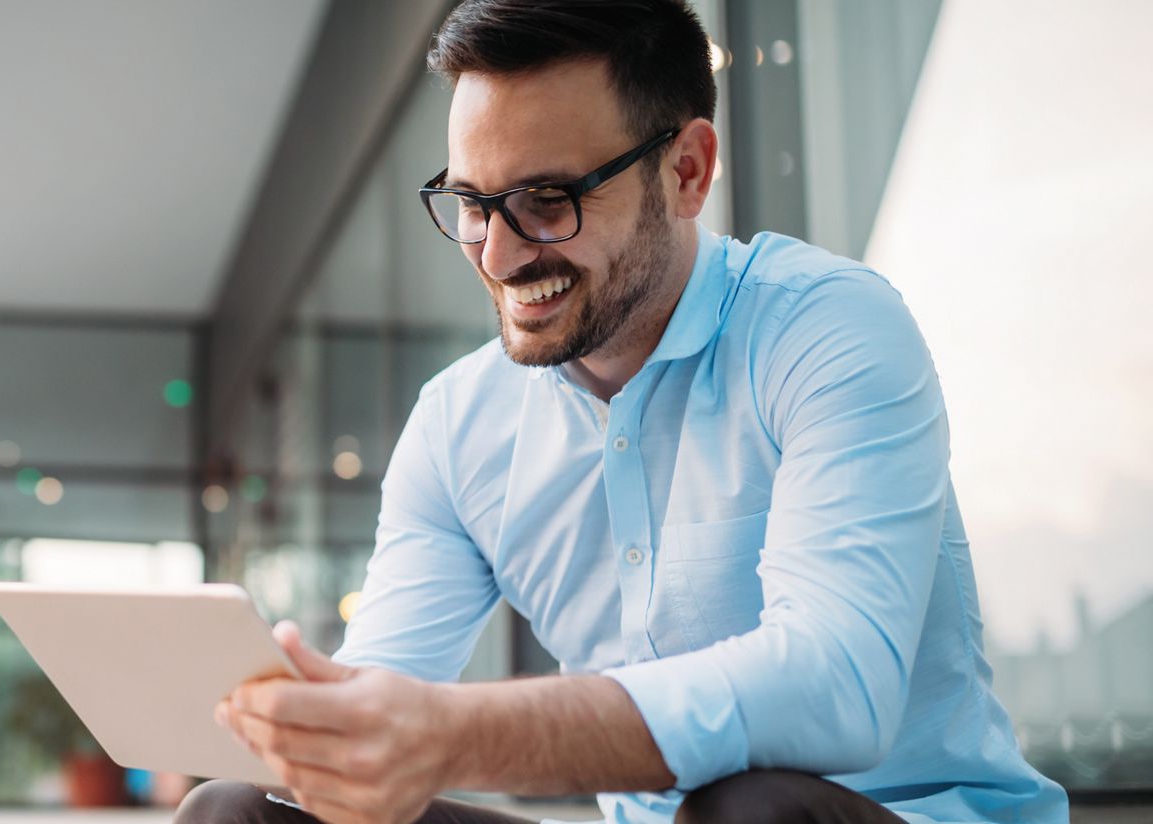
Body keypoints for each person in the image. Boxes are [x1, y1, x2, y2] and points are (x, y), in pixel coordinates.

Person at [175, 1, 1068, 822]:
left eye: (546, 201)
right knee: (239, 813)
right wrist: (314, 729)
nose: (499, 253)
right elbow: (385, 705)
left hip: (882, 815)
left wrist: (452, 731)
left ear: (687, 171)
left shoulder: (826, 327)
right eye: (473, 205)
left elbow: (836, 685)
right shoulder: (459, 425)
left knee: (751, 809)